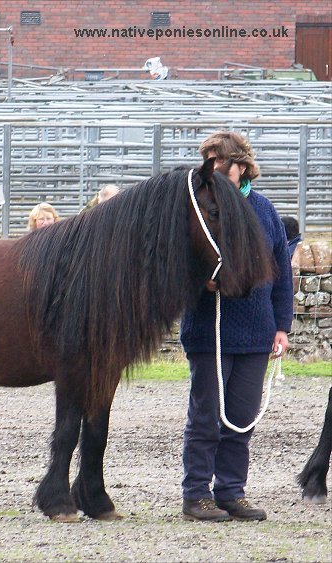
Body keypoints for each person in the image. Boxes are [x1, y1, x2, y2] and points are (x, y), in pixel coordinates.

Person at [180, 131, 293, 523]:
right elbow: (178, 266)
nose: (208, 171)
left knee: (241, 419)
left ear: (239, 166)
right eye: (206, 163)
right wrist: (202, 281)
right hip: (208, 330)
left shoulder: (265, 212)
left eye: (216, 163)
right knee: (206, 415)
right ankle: (196, 494)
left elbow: (281, 272)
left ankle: (230, 491)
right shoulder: (196, 209)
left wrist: (282, 326)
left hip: (256, 333)